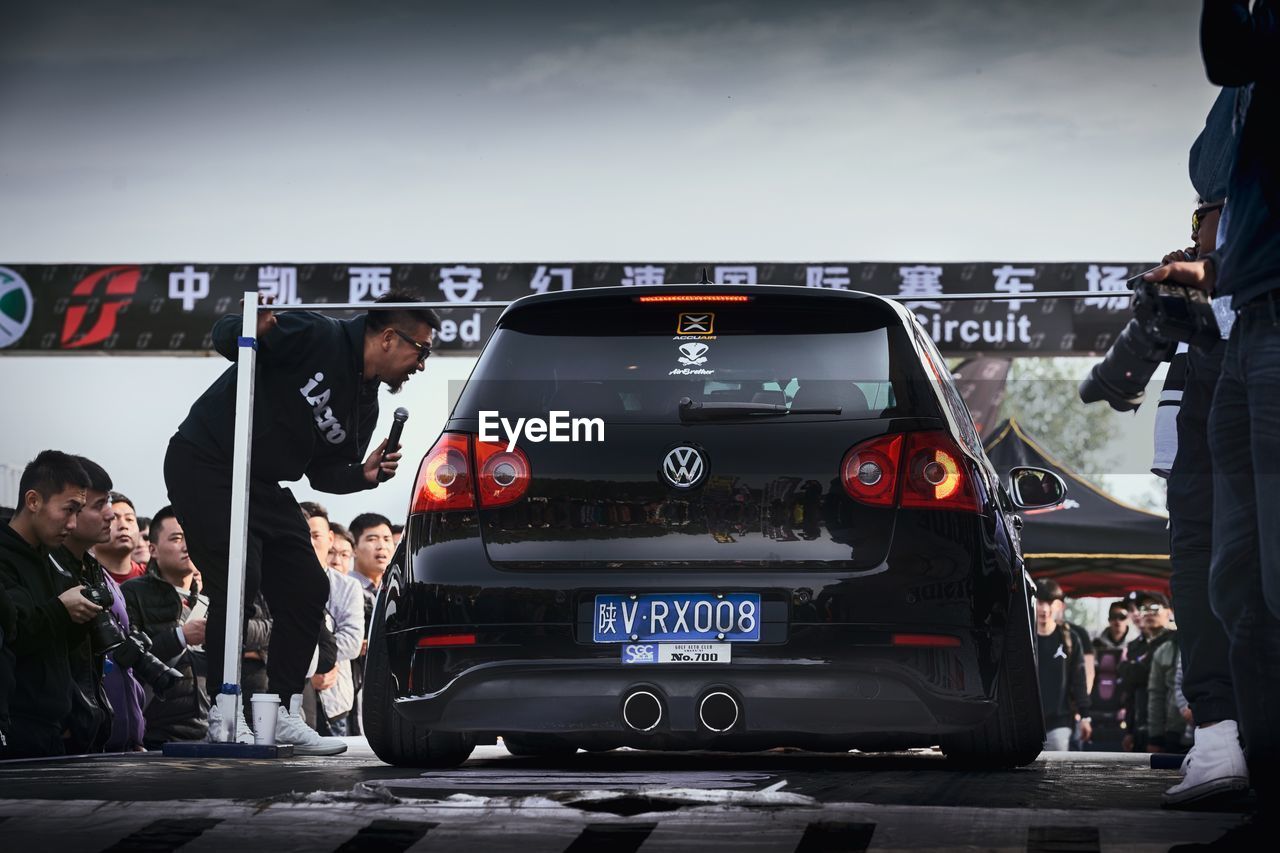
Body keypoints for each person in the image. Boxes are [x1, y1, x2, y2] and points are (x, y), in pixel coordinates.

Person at [163, 290, 437, 755]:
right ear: (389, 337)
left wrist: (363, 475)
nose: (422, 365)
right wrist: (255, 329)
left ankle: (283, 710)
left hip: (263, 482)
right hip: (207, 459)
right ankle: (223, 713)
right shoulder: (316, 334)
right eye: (422, 351)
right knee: (239, 575)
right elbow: (226, 334)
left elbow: (324, 471)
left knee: (309, 586)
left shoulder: (364, 408)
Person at [1148, 5, 1280, 830]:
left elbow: (1224, 48)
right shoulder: (1236, 99)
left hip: (1265, 323)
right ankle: (1249, 770)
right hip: (1245, 325)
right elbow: (1214, 163)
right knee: (1233, 571)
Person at [0, 451, 98, 758]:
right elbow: (14, 635)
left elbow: (58, 646)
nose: (72, 524)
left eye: (78, 512)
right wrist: (61, 609)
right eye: (68, 510)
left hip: (54, 729)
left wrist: (83, 618)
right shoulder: (4, 556)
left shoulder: (54, 561)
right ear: (33, 501)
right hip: (17, 727)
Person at [121, 506, 209, 748]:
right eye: (176, 538)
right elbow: (128, 657)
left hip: (207, 730)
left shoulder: (211, 596)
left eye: (190, 537)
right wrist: (180, 637)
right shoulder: (132, 593)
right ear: (153, 549)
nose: (186, 545)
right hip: (156, 733)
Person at [300, 503, 364, 736]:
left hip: (334, 697)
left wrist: (315, 664)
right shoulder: (279, 582)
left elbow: (352, 640)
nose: (310, 541)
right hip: (292, 697)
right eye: (303, 533)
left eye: (316, 535)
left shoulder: (348, 586)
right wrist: (308, 671)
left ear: (329, 539)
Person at [1034, 580, 1091, 751]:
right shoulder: (1022, 636)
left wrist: (1085, 717)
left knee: (1055, 773)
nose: (1045, 609)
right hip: (1025, 722)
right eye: (1040, 602)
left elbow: (1079, 679)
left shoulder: (1070, 638)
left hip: (1059, 721)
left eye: (1051, 602)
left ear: (1060, 606)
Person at [1121, 592, 1177, 752]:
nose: (1148, 612)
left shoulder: (1174, 641)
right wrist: (1129, 731)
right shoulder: (1135, 646)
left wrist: (1127, 668)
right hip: (1140, 724)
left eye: (1154, 607)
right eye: (1143, 608)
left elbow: (1142, 673)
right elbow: (1129, 688)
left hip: (1167, 727)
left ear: (1168, 611)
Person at [1088, 600, 1134, 751]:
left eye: (1122, 616)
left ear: (1128, 618)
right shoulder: (1094, 644)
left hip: (1124, 707)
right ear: (1108, 619)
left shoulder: (1135, 645)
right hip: (1096, 707)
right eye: (1113, 616)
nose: (1117, 621)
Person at [96, 493, 147, 585]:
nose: (124, 526)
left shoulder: (154, 578)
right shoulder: (81, 578)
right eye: (113, 518)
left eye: (129, 519)